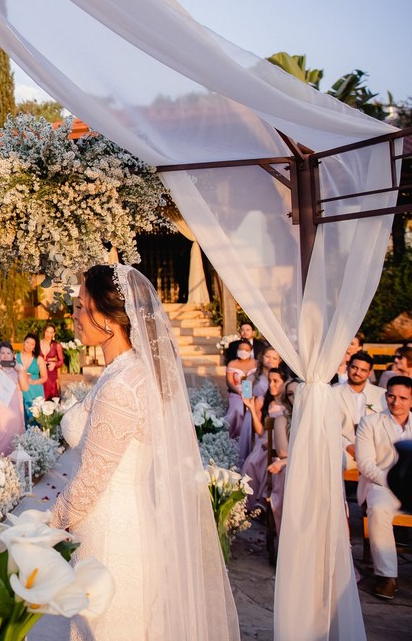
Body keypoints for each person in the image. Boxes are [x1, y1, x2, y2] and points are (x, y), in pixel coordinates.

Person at [50, 264, 238, 641]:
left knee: (105, 627)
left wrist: (45, 525)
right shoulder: (128, 373)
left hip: (109, 532)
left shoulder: (123, 385)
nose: (74, 315)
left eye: (82, 307)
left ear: (107, 318)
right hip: (128, 520)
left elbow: (91, 483)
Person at [355, 376, 412, 600]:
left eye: (402, 398)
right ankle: (386, 577)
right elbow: (366, 464)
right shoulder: (370, 422)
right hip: (382, 483)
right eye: (391, 396)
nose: (395, 402)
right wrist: (396, 482)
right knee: (378, 509)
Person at [242, 366, 292, 532]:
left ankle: (264, 499)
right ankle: (253, 502)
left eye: (276, 381)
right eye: (270, 381)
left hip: (282, 444)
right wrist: (251, 408)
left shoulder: (291, 406)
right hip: (264, 440)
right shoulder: (265, 402)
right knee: (255, 460)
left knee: (272, 458)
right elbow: (260, 430)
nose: (271, 384)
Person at [333, 351, 385, 470]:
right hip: (345, 449)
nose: (357, 373)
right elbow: (328, 427)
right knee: (331, 463)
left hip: (376, 451)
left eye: (363, 370)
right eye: (354, 367)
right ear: (348, 367)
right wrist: (347, 446)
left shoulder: (382, 395)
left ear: (369, 373)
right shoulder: (333, 393)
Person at [224, 339, 257, 465]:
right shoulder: (232, 363)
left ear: (250, 351)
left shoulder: (256, 364)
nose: (243, 352)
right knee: (237, 410)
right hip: (237, 393)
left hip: (253, 393)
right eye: (241, 349)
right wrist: (239, 392)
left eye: (246, 350)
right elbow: (229, 382)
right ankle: (235, 435)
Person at [17, 333, 47, 426]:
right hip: (20, 389)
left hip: (35, 390)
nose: (29, 346)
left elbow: (44, 377)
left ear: (35, 347)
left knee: (36, 417)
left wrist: (33, 381)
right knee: (21, 417)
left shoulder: (38, 359)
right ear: (23, 343)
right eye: (27, 342)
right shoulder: (15, 357)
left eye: (32, 344)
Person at [41, 323, 66, 400]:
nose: (49, 334)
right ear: (44, 332)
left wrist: (54, 364)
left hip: (51, 371)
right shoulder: (38, 344)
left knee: (50, 384)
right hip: (40, 371)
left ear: (54, 334)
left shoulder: (56, 345)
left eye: (51, 332)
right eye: (47, 332)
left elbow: (61, 361)